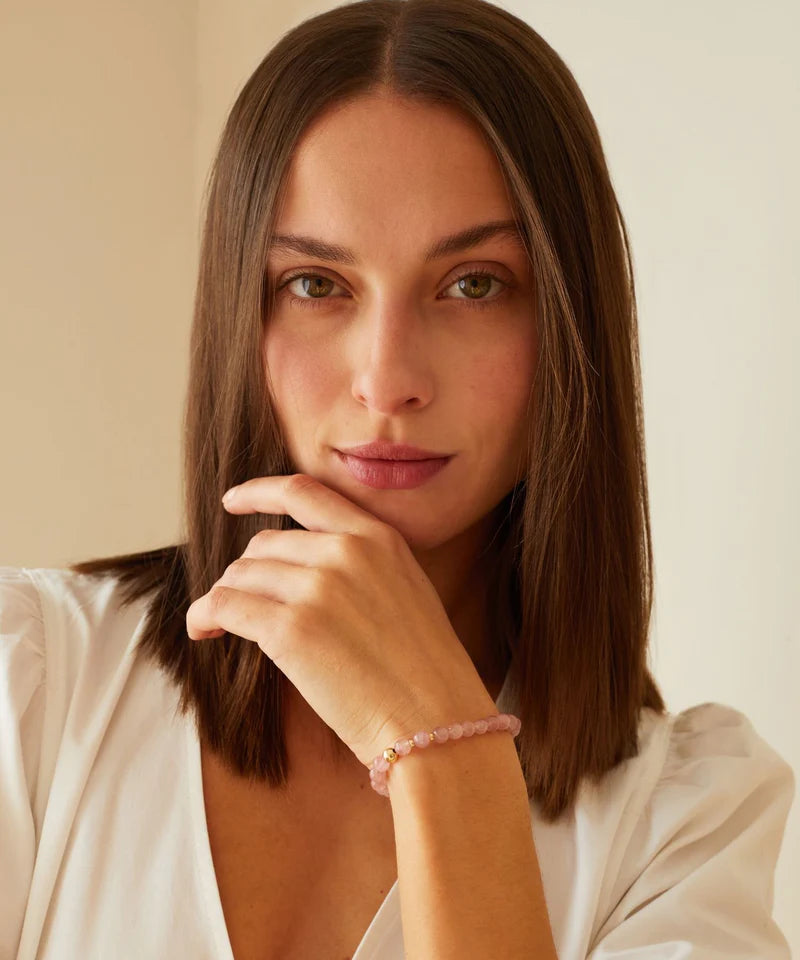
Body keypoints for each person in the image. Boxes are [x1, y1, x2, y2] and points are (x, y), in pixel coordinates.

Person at [1, 0, 794, 957]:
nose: (388, 381)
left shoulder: (685, 826)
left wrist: (444, 753)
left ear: (568, 327)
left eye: (473, 283)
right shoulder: (34, 687)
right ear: (238, 317)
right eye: (316, 285)